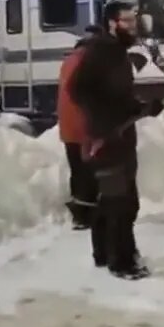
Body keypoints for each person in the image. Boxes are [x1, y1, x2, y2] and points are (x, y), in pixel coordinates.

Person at [68, 1, 149, 280]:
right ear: (113, 23)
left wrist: (133, 105)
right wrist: (104, 121)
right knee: (121, 202)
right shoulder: (101, 51)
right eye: (127, 20)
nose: (133, 26)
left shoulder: (117, 52)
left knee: (115, 199)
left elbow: (112, 91)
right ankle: (121, 261)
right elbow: (77, 89)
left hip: (121, 135)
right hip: (107, 137)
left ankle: (104, 252)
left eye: (133, 19)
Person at [57, 26, 101, 230]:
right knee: (89, 172)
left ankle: (79, 213)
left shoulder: (68, 61)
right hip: (85, 126)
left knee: (77, 170)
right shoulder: (91, 62)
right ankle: (86, 215)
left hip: (68, 128)